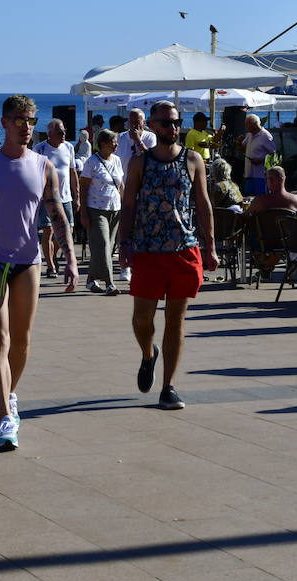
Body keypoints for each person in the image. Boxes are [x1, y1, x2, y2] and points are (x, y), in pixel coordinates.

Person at [0, 95, 78, 452]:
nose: (26, 127)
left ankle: (9, 393)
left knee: (22, 341)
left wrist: (69, 259)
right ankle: (6, 416)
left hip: (28, 260)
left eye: (31, 120)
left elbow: (57, 214)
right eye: (19, 120)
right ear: (4, 122)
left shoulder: (43, 165)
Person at [119, 101, 218, 410]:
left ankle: (169, 386)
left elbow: (202, 204)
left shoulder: (192, 160)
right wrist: (124, 244)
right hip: (148, 251)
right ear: (152, 125)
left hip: (183, 250)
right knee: (142, 318)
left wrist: (210, 245)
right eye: (165, 123)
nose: (172, 128)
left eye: (176, 122)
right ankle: (149, 354)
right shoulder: (139, 163)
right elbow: (129, 205)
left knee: (175, 318)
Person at [33, 119, 81, 279]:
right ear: (50, 134)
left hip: (66, 197)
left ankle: (52, 254)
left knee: (69, 231)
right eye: (60, 132)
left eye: (64, 131)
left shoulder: (68, 147)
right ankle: (50, 265)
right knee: (48, 231)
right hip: (47, 199)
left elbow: (72, 172)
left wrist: (77, 195)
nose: (64, 135)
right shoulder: (40, 149)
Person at [79, 129, 125, 295]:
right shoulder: (92, 162)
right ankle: (109, 283)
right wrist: (83, 212)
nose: (116, 145)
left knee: (106, 248)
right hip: (95, 209)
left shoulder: (117, 160)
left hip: (115, 208)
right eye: (114, 142)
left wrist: (125, 205)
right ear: (104, 143)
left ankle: (91, 280)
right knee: (104, 245)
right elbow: (83, 188)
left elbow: (120, 185)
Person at [239, 113, 276, 196]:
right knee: (249, 198)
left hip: (260, 176)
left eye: (247, 124)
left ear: (254, 124)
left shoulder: (265, 135)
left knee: (261, 198)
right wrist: (239, 142)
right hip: (249, 174)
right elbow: (242, 148)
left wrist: (261, 160)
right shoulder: (249, 135)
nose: (245, 126)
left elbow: (274, 155)